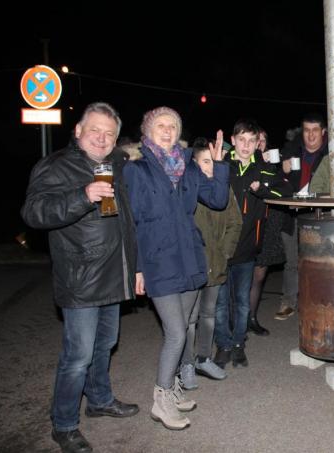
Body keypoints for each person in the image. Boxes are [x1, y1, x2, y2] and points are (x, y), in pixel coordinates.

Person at [21, 102, 140, 453]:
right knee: (78, 356)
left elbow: (126, 220)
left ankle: (99, 400)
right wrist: (83, 196)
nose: (102, 138)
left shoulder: (115, 162)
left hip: (113, 273)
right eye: (95, 130)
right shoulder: (56, 165)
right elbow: (34, 212)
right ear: (78, 131)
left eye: (109, 134)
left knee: (105, 345)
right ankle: (64, 424)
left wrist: (135, 267)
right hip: (81, 277)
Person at [124, 106, 230, 430]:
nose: (168, 131)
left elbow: (218, 200)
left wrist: (218, 166)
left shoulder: (188, 167)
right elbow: (133, 223)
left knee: (183, 326)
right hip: (158, 260)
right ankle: (161, 401)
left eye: (173, 126)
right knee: (175, 333)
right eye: (161, 125)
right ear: (147, 130)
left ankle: (171, 389)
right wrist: (137, 268)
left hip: (189, 257)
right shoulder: (137, 170)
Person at [216, 118, 292, 367]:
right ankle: (223, 346)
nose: (246, 145)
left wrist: (262, 190)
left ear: (258, 143)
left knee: (242, 302)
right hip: (221, 247)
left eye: (252, 140)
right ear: (233, 140)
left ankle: (239, 344)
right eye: (242, 140)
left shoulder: (264, 167)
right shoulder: (222, 165)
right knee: (220, 304)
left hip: (248, 247)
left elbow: (285, 191)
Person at [177, 137, 242, 388]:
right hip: (193, 264)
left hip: (216, 262)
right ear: (193, 163)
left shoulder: (223, 188)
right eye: (206, 161)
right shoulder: (187, 188)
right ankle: (186, 364)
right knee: (188, 318)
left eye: (214, 162)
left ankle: (203, 358)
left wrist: (224, 253)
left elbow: (235, 222)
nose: (211, 167)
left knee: (208, 314)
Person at [275, 113, 329, 320]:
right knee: (291, 261)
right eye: (307, 130)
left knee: (318, 261)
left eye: (315, 130)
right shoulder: (291, 151)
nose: (311, 135)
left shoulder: (330, 153)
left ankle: (317, 302)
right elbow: (276, 182)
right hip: (291, 214)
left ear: (323, 132)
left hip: (318, 215)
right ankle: (288, 302)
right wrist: (283, 170)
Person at [248, 127, 287, 336]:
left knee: (259, 274)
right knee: (241, 275)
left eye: (263, 141)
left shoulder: (272, 166)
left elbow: (283, 189)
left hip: (268, 224)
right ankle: (236, 319)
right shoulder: (244, 163)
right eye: (257, 140)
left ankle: (251, 318)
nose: (260, 144)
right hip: (247, 225)